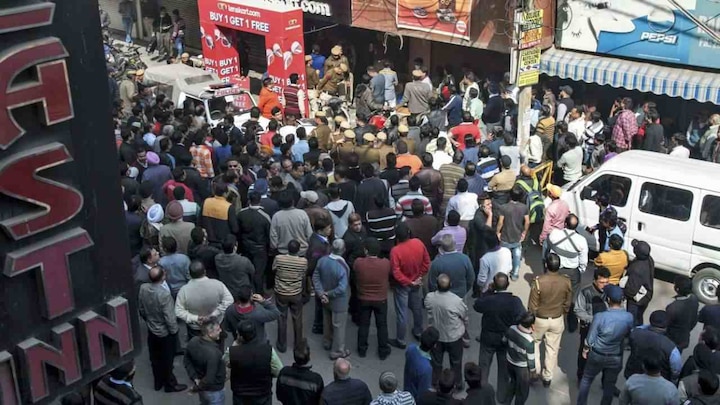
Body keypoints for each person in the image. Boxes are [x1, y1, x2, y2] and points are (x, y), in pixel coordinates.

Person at [576, 284, 634, 405]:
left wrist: (585, 349)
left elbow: (590, 338)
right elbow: (629, 334)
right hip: (615, 356)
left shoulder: (600, 317)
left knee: (586, 379)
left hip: (597, 354)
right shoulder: (628, 317)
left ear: (608, 300)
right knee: (609, 386)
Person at [474, 272, 524, 401]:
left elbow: (477, 305)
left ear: (494, 285)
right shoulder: (514, 301)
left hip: (487, 338)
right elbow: (522, 317)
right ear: (507, 285)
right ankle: (501, 397)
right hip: (505, 339)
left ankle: (482, 394)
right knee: (504, 370)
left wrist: (487, 292)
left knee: (484, 367)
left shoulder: (489, 300)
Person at [138, 266, 186, 393]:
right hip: (164, 333)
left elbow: (141, 309)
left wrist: (148, 320)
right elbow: (169, 317)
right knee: (167, 359)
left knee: (155, 358)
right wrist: (174, 331)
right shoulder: (164, 295)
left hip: (151, 329)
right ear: (162, 277)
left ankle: (158, 382)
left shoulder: (143, 289)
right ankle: (170, 384)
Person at [528, 253, 572, 388]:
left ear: (546, 265)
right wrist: (562, 313)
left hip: (540, 319)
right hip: (557, 318)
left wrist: (530, 321)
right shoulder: (566, 281)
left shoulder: (538, 281)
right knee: (552, 349)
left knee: (534, 344)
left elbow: (532, 305)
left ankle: (534, 372)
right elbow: (568, 303)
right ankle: (547, 376)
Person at [545, 214, 588, 332]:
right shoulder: (581, 240)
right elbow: (583, 261)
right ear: (576, 226)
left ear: (564, 223)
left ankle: (551, 318)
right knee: (573, 298)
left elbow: (548, 247)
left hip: (556, 269)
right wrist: (580, 270)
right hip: (572, 272)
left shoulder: (555, 234)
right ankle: (572, 323)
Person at [390, 223, 430, 349]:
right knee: (417, 308)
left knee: (402, 313)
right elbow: (426, 262)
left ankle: (401, 340)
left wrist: (408, 281)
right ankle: (418, 331)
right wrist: (419, 276)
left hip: (403, 285)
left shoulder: (395, 251)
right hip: (416, 281)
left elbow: (396, 272)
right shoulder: (418, 243)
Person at [425, 274, 468, 392]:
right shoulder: (456, 301)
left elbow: (428, 308)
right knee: (456, 362)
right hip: (454, 337)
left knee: (436, 362)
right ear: (451, 285)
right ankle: (457, 383)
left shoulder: (429, 298)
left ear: (436, 285)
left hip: (436, 337)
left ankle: (436, 383)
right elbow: (464, 316)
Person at [175, 261, 233, 342]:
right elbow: (229, 300)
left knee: (198, 350)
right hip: (216, 324)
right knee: (218, 348)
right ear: (205, 272)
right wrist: (214, 313)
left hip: (196, 327)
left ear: (190, 274)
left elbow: (178, 311)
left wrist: (196, 318)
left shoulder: (184, 291)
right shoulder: (218, 284)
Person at [354, 237, 392, 359]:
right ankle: (383, 350)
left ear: (366, 250)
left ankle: (362, 349)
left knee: (364, 325)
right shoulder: (386, 263)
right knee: (382, 325)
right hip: (381, 299)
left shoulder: (359, 263)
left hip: (363, 298)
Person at [313, 239, 351, 360]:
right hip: (339, 301)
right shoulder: (343, 266)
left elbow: (316, 277)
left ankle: (327, 341)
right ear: (343, 250)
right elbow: (342, 288)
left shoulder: (322, 260)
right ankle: (338, 351)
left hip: (325, 300)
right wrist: (328, 294)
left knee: (327, 321)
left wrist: (321, 293)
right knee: (339, 326)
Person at [229, 321, 283, 405]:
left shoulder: (232, 352)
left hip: (240, 395)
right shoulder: (268, 350)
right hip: (262, 394)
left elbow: (225, 366)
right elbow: (279, 370)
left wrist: (235, 345)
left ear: (240, 336)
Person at [574, 266, 611, 381]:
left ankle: (606, 381)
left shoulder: (610, 293)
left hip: (605, 330)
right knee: (584, 354)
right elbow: (578, 310)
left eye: (607, 282)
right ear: (595, 280)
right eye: (601, 282)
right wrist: (594, 320)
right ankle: (581, 375)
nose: (604, 285)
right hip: (588, 329)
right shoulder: (586, 292)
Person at [624, 310, 682, 383]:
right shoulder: (671, 348)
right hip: (657, 382)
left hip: (633, 374)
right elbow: (676, 370)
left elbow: (639, 328)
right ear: (667, 325)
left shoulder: (635, 333)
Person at [273, 239, 308, 353]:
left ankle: (281, 344)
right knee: (297, 319)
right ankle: (298, 344)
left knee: (281, 318)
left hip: (281, 292)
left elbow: (274, 269)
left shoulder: (279, 258)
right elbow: (303, 275)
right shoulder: (303, 262)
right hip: (296, 293)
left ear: (288, 248)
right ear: (298, 250)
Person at [184, 321, 226, 404]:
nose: (221, 331)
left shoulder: (193, 341)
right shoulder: (214, 354)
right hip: (214, 390)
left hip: (201, 385)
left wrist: (195, 377)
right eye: (217, 330)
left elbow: (187, 360)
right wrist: (195, 389)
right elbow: (209, 379)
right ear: (209, 333)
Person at [238, 192, 272, 292]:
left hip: (245, 247)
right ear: (260, 201)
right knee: (258, 273)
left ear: (249, 200)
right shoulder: (265, 216)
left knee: (246, 271)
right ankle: (259, 293)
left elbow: (238, 231)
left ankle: (247, 291)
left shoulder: (241, 213)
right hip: (260, 249)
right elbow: (268, 234)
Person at [504, 311, 537, 405]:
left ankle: (506, 402)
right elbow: (531, 360)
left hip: (510, 362)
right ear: (531, 325)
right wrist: (533, 372)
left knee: (513, 383)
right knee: (523, 391)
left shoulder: (511, 329)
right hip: (522, 368)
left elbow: (504, 340)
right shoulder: (529, 341)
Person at [496, 185, 529, 281]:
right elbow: (527, 221)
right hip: (517, 236)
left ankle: (502, 275)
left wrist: (497, 232)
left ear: (510, 195)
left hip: (505, 236)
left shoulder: (504, 207)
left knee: (502, 257)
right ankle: (514, 274)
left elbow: (500, 222)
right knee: (517, 256)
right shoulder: (524, 207)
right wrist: (524, 232)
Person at [428, 234, 474, 299]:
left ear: (442, 247)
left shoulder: (436, 263)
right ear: (455, 244)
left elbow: (432, 284)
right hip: (461, 294)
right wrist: (465, 290)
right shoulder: (465, 259)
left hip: (442, 296)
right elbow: (471, 278)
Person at [271, 190, 313, 255]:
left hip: (283, 252)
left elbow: (273, 236)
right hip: (301, 251)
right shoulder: (302, 214)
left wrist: (274, 247)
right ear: (293, 202)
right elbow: (309, 234)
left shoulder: (276, 216)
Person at [623, 240, 655, 326]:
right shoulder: (649, 259)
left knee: (632, 321)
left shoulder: (637, 270)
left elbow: (631, 291)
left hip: (636, 301)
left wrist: (623, 291)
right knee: (639, 317)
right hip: (647, 295)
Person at [214, 234, 254, 299]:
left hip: (227, 291)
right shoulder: (243, 261)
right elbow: (252, 272)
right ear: (235, 246)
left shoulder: (217, 259)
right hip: (242, 292)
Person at [404, 327, 439, 399]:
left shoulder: (411, 348)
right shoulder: (426, 368)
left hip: (407, 389)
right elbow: (423, 392)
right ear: (435, 345)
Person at [666, 276, 699, 353]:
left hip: (672, 340)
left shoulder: (673, 307)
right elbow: (694, 319)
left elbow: (666, 324)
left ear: (677, 289)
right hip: (684, 338)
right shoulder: (694, 299)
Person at [201, 182, 239, 246]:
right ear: (225, 194)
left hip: (208, 240)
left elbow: (200, 221)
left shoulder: (206, 202)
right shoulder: (229, 207)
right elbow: (235, 228)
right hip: (223, 243)